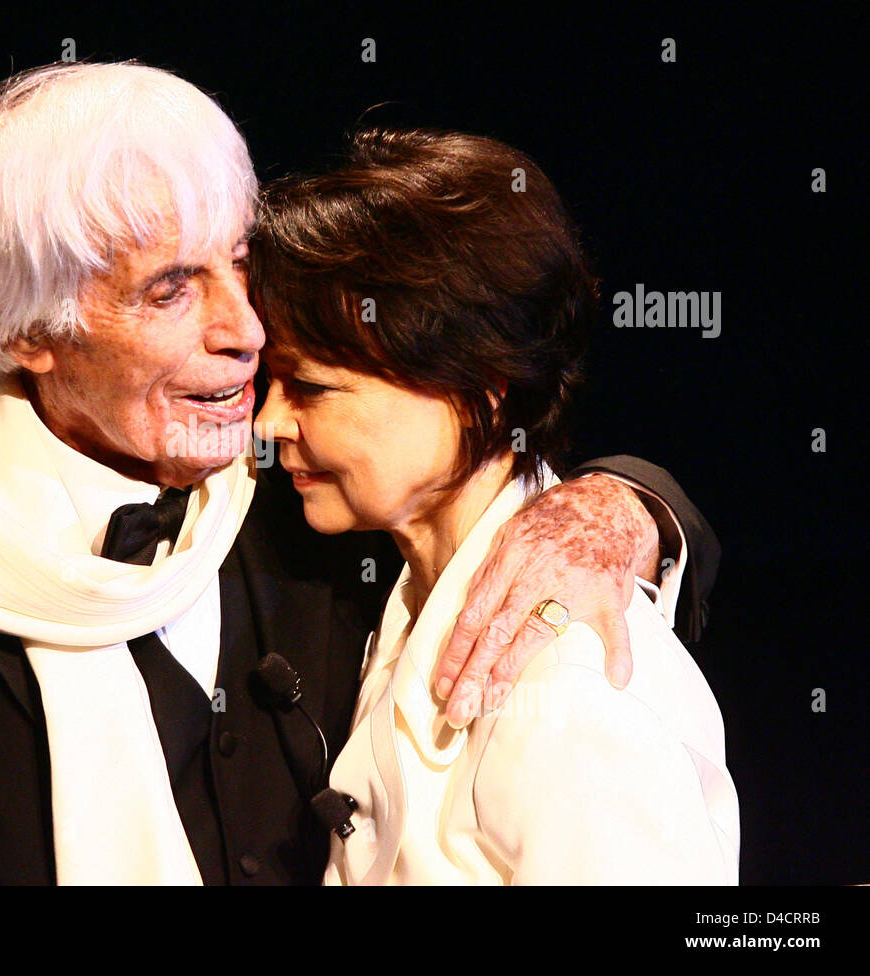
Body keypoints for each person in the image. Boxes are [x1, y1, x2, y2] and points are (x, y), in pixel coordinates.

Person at [0, 62, 718, 885]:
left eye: (239, 261)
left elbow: (483, 423)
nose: (245, 333)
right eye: (169, 290)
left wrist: (626, 504)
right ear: (27, 330)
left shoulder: (287, 460)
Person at [251, 127, 739, 884]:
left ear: (473, 385)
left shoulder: (565, 685)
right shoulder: (400, 589)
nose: (268, 423)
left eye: (309, 386)